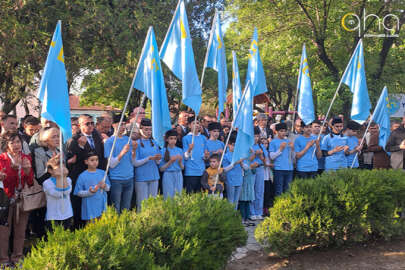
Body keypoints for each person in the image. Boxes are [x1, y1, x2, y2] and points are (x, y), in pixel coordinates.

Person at [0, 132, 33, 266]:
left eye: (18, 142)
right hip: (5, 199)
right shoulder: (2, 159)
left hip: (22, 199)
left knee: (20, 231)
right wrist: (12, 171)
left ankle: (17, 257)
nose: (16, 145)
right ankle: (3, 260)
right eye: (12, 142)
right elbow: (5, 182)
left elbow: (30, 182)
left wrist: (26, 171)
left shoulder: (26, 157)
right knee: (4, 232)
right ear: (6, 145)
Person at [66, 114, 105, 227]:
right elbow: (71, 159)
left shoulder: (97, 136)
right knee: (79, 205)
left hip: (95, 176)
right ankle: (79, 228)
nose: (90, 126)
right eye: (87, 124)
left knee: (94, 205)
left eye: (92, 123)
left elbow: (101, 156)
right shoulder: (74, 139)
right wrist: (81, 146)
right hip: (80, 177)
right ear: (79, 125)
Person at [31, 127, 60, 237]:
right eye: (54, 136)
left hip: (59, 188)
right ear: (45, 139)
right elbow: (39, 175)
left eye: (58, 136)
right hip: (46, 190)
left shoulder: (59, 151)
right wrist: (50, 165)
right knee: (45, 221)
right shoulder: (39, 152)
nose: (57, 139)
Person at [104, 115, 135, 213]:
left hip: (129, 177)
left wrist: (133, 150)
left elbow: (132, 161)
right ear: (113, 125)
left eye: (124, 124)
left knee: (126, 207)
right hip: (116, 179)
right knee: (116, 207)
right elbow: (111, 164)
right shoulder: (109, 142)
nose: (123, 127)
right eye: (120, 124)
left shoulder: (128, 140)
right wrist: (122, 153)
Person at [134, 118, 161, 211]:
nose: (148, 132)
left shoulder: (154, 143)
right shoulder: (136, 144)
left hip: (154, 176)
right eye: (146, 129)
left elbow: (158, 163)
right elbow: (135, 163)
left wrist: (158, 159)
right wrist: (148, 158)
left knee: (152, 203)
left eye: (150, 129)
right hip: (141, 177)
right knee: (142, 203)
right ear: (140, 129)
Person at [74, 151, 110, 221]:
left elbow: (108, 188)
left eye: (96, 160)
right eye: (92, 160)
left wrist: (105, 186)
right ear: (86, 162)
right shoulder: (82, 176)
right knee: (91, 227)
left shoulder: (103, 173)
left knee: (102, 226)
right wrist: (89, 192)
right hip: (90, 207)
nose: (95, 162)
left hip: (102, 206)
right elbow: (78, 192)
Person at [42, 154, 73, 230]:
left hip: (67, 213)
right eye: (58, 168)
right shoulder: (47, 183)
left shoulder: (68, 180)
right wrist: (59, 178)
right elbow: (58, 194)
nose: (61, 170)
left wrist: (64, 177)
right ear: (50, 170)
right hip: (53, 216)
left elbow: (66, 192)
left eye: (63, 167)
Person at [182, 116, 209, 193]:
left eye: (198, 123)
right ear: (189, 125)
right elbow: (185, 157)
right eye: (194, 123)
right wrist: (189, 149)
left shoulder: (203, 138)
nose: (197, 125)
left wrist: (206, 156)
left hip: (202, 171)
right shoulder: (186, 138)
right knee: (190, 196)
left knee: (201, 195)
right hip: (191, 171)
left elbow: (204, 156)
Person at [269, 122, 294, 196]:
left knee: (288, 189)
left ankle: (287, 205)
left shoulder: (289, 141)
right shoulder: (273, 142)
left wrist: (293, 149)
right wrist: (280, 149)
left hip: (289, 169)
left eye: (284, 131)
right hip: (278, 169)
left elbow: (292, 157)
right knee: (278, 190)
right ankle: (278, 205)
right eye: (281, 131)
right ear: (276, 132)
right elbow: (271, 156)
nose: (283, 133)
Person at [249, 126, 267, 220]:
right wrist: (254, 154)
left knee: (259, 191)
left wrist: (260, 156)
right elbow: (247, 159)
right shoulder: (248, 146)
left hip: (260, 169)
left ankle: (259, 211)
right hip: (250, 169)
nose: (255, 138)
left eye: (257, 136)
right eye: (254, 136)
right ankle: (252, 212)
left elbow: (265, 162)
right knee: (251, 191)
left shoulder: (261, 146)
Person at [159, 129, 184, 199]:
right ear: (167, 139)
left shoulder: (180, 150)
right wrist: (170, 162)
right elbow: (161, 169)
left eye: (175, 139)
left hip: (178, 174)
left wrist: (179, 162)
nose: (173, 140)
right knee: (168, 196)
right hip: (168, 174)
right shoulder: (163, 151)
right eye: (171, 138)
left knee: (178, 196)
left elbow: (182, 167)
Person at [222, 132, 243, 209]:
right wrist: (236, 162)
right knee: (230, 200)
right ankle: (230, 217)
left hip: (239, 178)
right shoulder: (226, 155)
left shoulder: (239, 154)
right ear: (228, 145)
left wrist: (243, 162)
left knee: (236, 200)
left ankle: (234, 216)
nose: (235, 147)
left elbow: (245, 167)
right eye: (233, 145)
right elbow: (225, 169)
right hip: (230, 179)